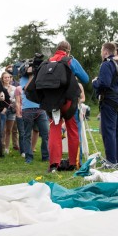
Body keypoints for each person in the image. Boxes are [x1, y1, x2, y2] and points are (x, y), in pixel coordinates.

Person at [41, 41, 89, 172]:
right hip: (69, 102)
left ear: (57, 49)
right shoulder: (71, 60)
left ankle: (53, 165)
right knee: (72, 131)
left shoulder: (48, 62)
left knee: (54, 131)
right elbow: (85, 79)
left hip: (52, 103)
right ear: (68, 51)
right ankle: (73, 162)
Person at [93, 42, 118, 169]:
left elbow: (105, 83)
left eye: (101, 51)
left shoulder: (106, 64)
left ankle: (111, 161)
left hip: (109, 100)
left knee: (109, 131)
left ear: (106, 52)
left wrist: (95, 82)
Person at [18, 59, 50, 164]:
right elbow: (27, 89)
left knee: (45, 133)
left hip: (40, 109)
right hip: (27, 109)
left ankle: (45, 156)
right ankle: (29, 157)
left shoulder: (39, 77)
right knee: (27, 135)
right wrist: (31, 76)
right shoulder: (23, 78)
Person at [1, 72, 18, 154]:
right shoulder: (0, 88)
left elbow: (17, 99)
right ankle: (2, 145)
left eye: (8, 77)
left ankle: (7, 148)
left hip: (11, 110)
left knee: (9, 130)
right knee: (2, 130)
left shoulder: (14, 88)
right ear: (2, 79)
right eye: (5, 77)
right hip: (3, 110)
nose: (7, 79)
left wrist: (12, 100)